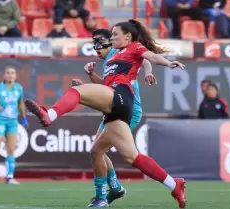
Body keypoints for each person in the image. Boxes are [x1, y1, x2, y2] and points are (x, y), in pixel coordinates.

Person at [25, 19, 186, 208]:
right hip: (115, 104)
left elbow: (150, 57)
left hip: (122, 97)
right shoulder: (113, 58)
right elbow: (107, 86)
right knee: (119, 154)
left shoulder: (133, 47)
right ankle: (174, 184)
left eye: (115, 33)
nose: (113, 37)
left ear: (127, 36)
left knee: (76, 93)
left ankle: (49, 115)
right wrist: (91, 83)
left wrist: (168, 63)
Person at [71, 28, 160, 206]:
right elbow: (107, 87)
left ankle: (105, 195)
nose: (96, 47)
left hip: (127, 110)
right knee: (98, 151)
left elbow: (145, 57)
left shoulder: (119, 51)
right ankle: (114, 189)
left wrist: (148, 72)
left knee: (105, 152)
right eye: (93, 43)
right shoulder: (109, 60)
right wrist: (89, 79)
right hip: (114, 108)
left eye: (99, 42)